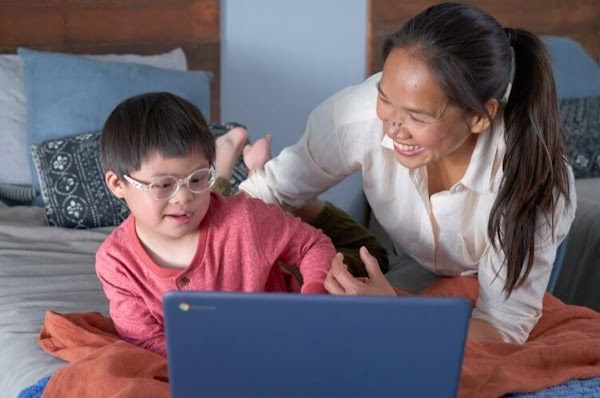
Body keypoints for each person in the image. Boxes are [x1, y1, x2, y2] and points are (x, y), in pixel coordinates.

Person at [239, 1, 576, 344]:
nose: (394, 128)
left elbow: (500, 328)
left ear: (479, 117)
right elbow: (265, 192)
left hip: (511, 252)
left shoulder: (535, 185)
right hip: (421, 261)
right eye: (385, 99)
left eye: (418, 116)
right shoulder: (356, 115)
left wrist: (394, 314)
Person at [96, 92, 335, 356]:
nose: (184, 198)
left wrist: (313, 299)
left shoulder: (245, 219)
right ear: (118, 184)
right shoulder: (116, 262)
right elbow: (145, 342)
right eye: (164, 185)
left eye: (198, 179)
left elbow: (313, 245)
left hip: (283, 345)